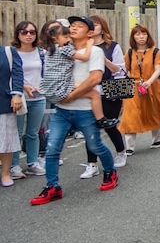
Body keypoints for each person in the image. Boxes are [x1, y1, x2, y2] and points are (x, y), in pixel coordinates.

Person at [31, 15, 118, 205]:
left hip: (84, 109)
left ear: (90, 32)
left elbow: (94, 79)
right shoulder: (59, 49)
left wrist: (71, 95)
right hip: (62, 110)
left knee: (95, 146)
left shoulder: (94, 51)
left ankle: (110, 172)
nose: (73, 28)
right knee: (53, 149)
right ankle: (52, 186)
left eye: (79, 26)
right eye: (72, 25)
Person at [38, 23, 119, 131]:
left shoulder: (50, 50)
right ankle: (101, 119)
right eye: (65, 37)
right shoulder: (64, 49)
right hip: (61, 86)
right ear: (55, 38)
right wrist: (90, 44)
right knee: (94, 93)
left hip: (50, 87)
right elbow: (85, 57)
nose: (68, 39)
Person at [80, 15, 129, 179]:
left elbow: (120, 71)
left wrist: (103, 58)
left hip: (108, 91)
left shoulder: (112, 47)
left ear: (103, 27)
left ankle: (121, 151)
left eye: (96, 25)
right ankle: (92, 164)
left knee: (110, 125)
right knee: (90, 127)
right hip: (88, 91)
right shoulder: (81, 47)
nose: (93, 28)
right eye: (90, 25)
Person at [120, 25, 160, 153]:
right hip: (134, 87)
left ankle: (156, 138)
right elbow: (124, 70)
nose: (141, 37)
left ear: (148, 36)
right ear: (133, 37)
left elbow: (158, 69)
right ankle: (129, 146)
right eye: (137, 34)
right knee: (130, 115)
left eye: (143, 34)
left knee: (152, 112)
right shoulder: (129, 52)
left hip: (152, 86)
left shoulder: (154, 51)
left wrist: (149, 82)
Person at [11, 20, 47, 178]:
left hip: (38, 97)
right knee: (16, 132)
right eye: (24, 32)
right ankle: (13, 165)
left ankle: (33, 162)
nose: (28, 35)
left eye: (32, 32)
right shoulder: (12, 52)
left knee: (33, 132)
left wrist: (41, 86)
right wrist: (24, 87)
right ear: (18, 34)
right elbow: (9, 75)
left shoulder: (41, 52)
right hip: (18, 97)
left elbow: (48, 73)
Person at [0, 38, 25, 187]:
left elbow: (17, 74)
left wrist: (16, 95)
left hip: (3, 101)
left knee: (5, 140)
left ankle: (5, 173)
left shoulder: (8, 52)